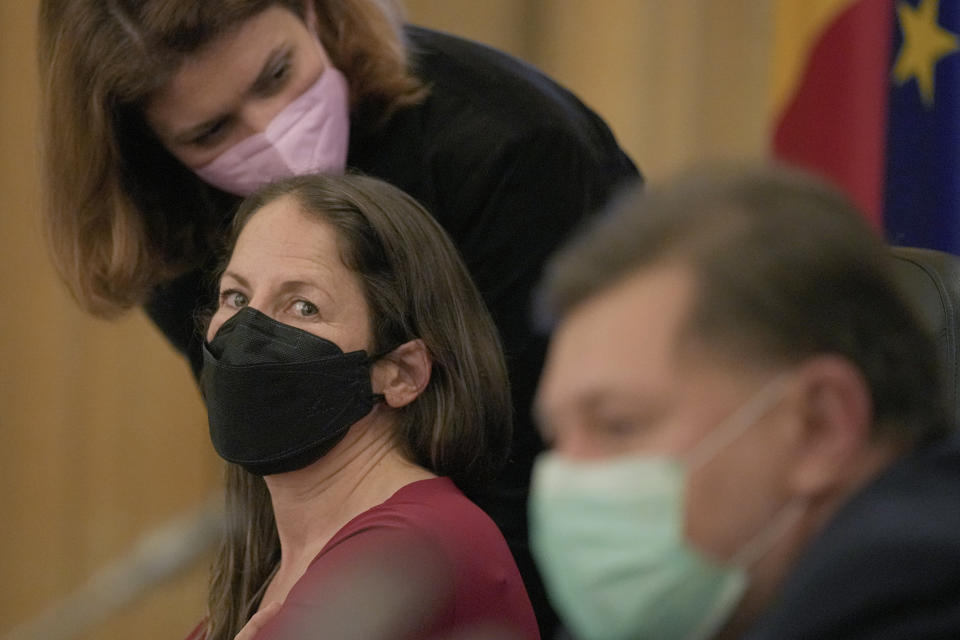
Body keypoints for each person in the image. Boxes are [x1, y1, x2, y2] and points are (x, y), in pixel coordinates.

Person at [36, 3, 638, 632]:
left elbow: (557, 464)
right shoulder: (171, 224)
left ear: (315, 14)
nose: (271, 132)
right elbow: (273, 441)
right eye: (211, 131)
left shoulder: (512, 147)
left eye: (275, 75)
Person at [528, 166, 960, 640]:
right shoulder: (708, 613)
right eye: (555, 436)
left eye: (617, 425)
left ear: (821, 426)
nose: (566, 478)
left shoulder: (915, 602)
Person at [184, 173, 539, 640]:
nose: (247, 331)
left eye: (303, 306)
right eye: (237, 296)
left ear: (401, 373)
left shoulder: (411, 549)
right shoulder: (267, 571)